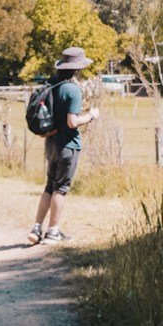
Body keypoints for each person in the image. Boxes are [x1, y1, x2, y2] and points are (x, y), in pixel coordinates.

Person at [28, 46, 100, 244]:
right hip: (68, 145)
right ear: (77, 69)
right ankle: (53, 232)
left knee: (49, 186)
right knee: (61, 189)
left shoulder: (52, 85)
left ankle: (36, 228)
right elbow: (72, 122)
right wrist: (91, 116)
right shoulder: (72, 90)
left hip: (50, 143)